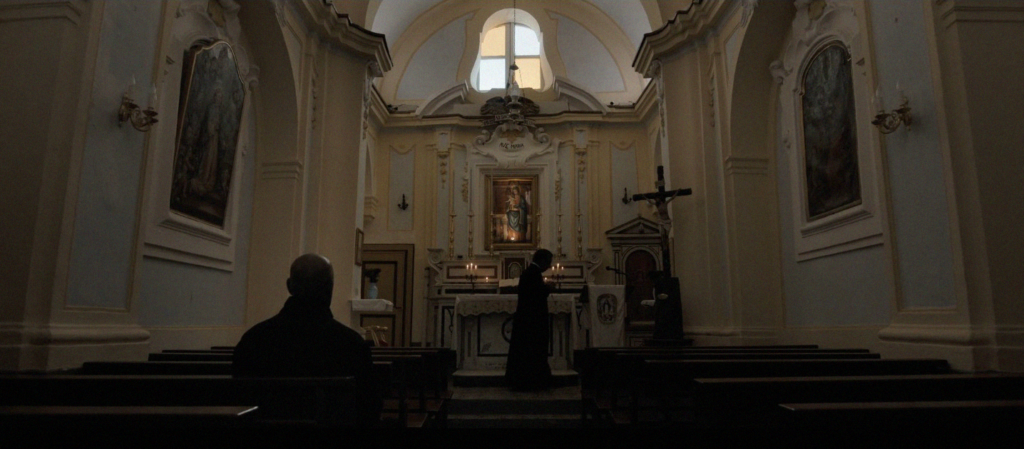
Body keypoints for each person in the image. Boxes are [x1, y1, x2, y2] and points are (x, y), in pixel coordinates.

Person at [232, 253, 381, 423]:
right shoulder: (352, 344)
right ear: (330, 288)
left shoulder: (254, 340)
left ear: (289, 286)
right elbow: (369, 409)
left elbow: (239, 399)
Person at [505, 248, 554, 391]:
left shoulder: (530, 272)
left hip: (527, 319)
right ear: (542, 260)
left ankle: (526, 380)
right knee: (533, 350)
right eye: (549, 262)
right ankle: (533, 381)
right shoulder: (533, 274)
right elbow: (535, 295)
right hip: (532, 321)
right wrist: (547, 289)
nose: (549, 266)